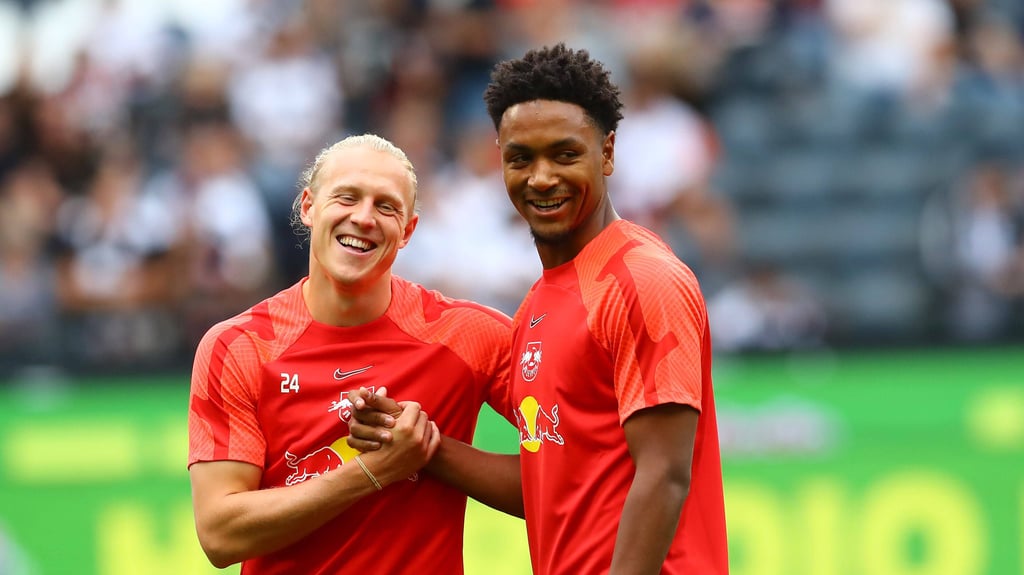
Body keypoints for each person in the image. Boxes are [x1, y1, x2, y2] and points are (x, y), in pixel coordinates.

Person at [349, 43, 729, 574]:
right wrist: (422, 446)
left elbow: (665, 474)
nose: (542, 177)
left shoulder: (643, 279)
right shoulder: (538, 303)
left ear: (609, 152)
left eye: (565, 154)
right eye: (520, 158)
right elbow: (551, 486)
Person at [186, 133, 518, 574]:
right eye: (347, 197)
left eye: (386, 206)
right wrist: (372, 471)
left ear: (408, 231)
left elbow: (574, 470)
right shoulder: (239, 346)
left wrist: (432, 450)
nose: (364, 218)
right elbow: (220, 535)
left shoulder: (470, 334)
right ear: (308, 207)